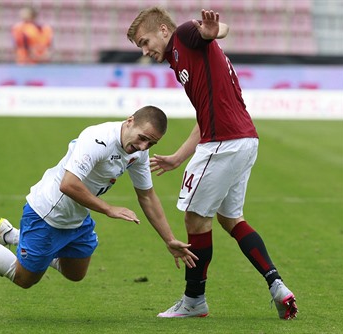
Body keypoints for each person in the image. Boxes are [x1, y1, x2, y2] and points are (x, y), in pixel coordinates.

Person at [126, 8, 298, 319]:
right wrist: (179, 156)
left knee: (195, 219)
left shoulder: (185, 37)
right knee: (230, 219)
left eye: (145, 41)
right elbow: (203, 116)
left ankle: (194, 301)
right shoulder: (181, 59)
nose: (145, 50)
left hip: (224, 143)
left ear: (163, 30)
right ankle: (277, 287)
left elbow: (209, 31)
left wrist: (212, 30)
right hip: (244, 140)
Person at [0, 106, 198, 290]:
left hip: (78, 216)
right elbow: (69, 184)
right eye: (142, 138)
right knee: (24, 279)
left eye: (151, 144)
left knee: (76, 274)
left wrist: (169, 239)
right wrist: (108, 209)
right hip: (48, 213)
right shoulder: (97, 139)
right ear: (130, 121)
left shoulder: (136, 153)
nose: (143, 147)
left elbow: (147, 196)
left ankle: (11, 236)